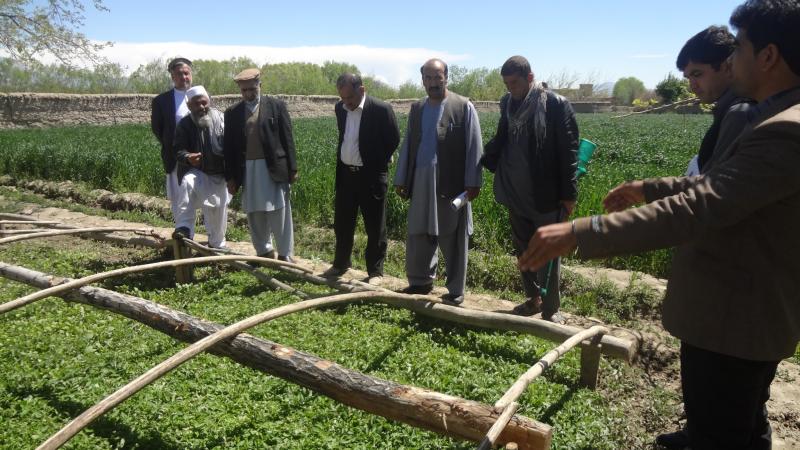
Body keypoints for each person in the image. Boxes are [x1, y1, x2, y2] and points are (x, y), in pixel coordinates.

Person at [518, 1, 800, 448]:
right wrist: (650, 187)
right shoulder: (770, 116)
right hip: (740, 314)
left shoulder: (784, 129)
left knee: (722, 431)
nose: (732, 59)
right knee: (739, 422)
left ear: (767, 56)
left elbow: (703, 204)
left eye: (740, 48)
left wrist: (580, 232)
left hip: (734, 318)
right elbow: (716, 183)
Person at [481, 55, 579, 323]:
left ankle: (551, 308)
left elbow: (569, 152)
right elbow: (502, 137)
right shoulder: (508, 104)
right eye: (506, 83)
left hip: (544, 193)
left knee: (547, 252)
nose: (511, 88)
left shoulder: (555, 105)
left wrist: (569, 195)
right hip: (515, 191)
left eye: (514, 82)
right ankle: (533, 298)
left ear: (530, 78)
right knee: (523, 251)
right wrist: (482, 158)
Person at [393, 58, 483, 306]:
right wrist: (402, 178)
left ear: (446, 77)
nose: (433, 82)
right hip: (421, 179)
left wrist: (473, 182)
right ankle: (419, 281)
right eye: (428, 78)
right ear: (422, 80)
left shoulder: (462, 106)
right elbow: (409, 144)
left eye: (438, 77)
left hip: (450, 182)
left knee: (452, 235)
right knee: (418, 231)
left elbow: (474, 145)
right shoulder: (417, 108)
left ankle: (455, 290)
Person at [321, 74, 400, 284]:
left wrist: (377, 162)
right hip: (346, 175)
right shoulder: (340, 109)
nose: (347, 103)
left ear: (362, 90)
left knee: (375, 226)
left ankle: (375, 271)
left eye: (350, 98)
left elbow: (393, 139)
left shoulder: (381, 109)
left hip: (371, 176)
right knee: (343, 223)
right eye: (343, 98)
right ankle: (340, 263)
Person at [223, 68, 298, 262]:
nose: (248, 94)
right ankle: (264, 251)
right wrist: (230, 177)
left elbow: (287, 137)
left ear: (259, 86)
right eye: (244, 90)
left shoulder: (276, 106)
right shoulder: (232, 113)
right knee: (254, 211)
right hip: (248, 169)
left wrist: (293, 168)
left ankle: (285, 253)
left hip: (273, 167)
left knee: (279, 210)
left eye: (252, 89)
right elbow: (229, 148)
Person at [678, 26, 753, 176]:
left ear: (727, 66)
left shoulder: (740, 113)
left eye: (697, 74)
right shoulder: (729, 109)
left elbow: (715, 189)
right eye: (688, 78)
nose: (692, 86)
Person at [171, 86, 229, 250]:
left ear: (209, 101)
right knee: (188, 183)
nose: (201, 107)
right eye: (196, 104)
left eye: (204, 102)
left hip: (219, 175)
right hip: (197, 172)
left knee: (217, 212)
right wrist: (188, 158)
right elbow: (177, 150)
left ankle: (217, 245)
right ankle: (184, 228)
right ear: (189, 106)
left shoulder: (223, 120)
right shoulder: (184, 124)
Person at [150, 57, 193, 230]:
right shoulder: (162, 101)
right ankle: (183, 234)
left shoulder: (201, 95)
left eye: (186, 73)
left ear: (191, 74)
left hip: (202, 158)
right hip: (176, 158)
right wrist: (175, 147)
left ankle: (215, 239)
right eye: (179, 74)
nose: (184, 77)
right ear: (172, 77)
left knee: (207, 199)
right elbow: (158, 128)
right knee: (179, 198)